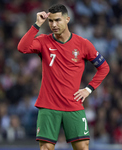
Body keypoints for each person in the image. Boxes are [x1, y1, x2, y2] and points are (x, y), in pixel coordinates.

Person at [17, 4, 110, 150]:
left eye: (58, 20)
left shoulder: (83, 44)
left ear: (67, 19)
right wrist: (37, 24)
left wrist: (88, 89)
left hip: (73, 104)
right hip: (48, 105)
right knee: (46, 148)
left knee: (82, 147)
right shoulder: (43, 41)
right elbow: (22, 48)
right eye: (51, 21)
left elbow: (104, 67)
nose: (54, 25)